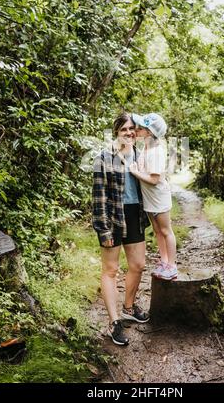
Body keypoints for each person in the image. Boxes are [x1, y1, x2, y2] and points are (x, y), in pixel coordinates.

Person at [92, 113, 150, 346]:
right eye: (125, 129)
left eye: (133, 129)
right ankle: (114, 323)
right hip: (113, 217)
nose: (129, 133)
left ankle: (128, 307)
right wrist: (103, 230)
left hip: (135, 215)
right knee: (111, 270)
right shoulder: (104, 158)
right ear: (116, 131)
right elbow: (98, 198)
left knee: (138, 265)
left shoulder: (141, 156)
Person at [129, 113, 177, 281]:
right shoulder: (146, 148)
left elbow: (155, 179)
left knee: (165, 230)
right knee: (157, 231)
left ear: (149, 133)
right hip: (150, 199)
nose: (136, 130)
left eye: (140, 128)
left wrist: (135, 172)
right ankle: (164, 261)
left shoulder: (156, 152)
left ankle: (172, 266)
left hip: (159, 198)